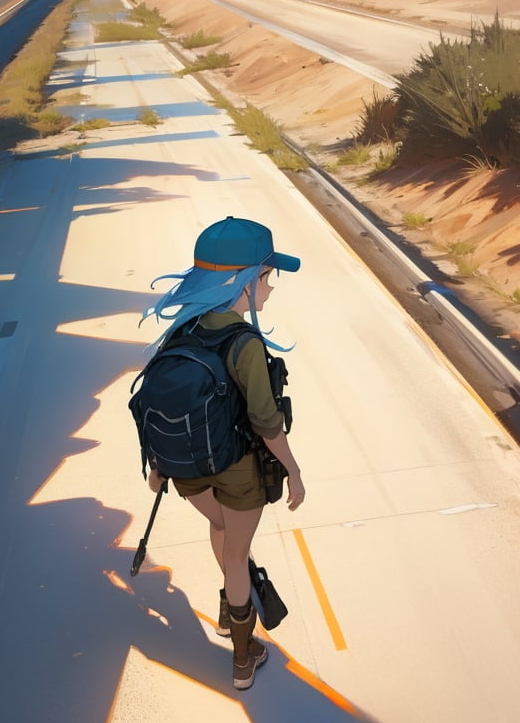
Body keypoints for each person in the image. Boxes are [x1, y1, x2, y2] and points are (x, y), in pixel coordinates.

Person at [141, 215, 305, 691]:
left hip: (187, 469)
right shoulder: (243, 343)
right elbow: (266, 422)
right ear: (244, 282)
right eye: (266, 278)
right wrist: (293, 471)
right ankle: (242, 653)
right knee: (237, 557)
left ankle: (228, 612)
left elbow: (159, 399)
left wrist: (157, 465)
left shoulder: (180, 331)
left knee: (220, 528)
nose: (270, 289)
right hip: (235, 471)